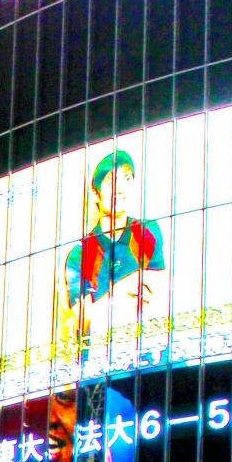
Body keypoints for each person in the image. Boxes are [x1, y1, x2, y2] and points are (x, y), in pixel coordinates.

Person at [56, 147, 164, 366]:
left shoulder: (146, 231)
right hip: (104, 359)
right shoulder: (82, 253)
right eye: (111, 181)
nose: (120, 189)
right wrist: (122, 292)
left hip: (151, 350)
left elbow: (157, 288)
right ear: (96, 193)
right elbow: (83, 320)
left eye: (127, 178)